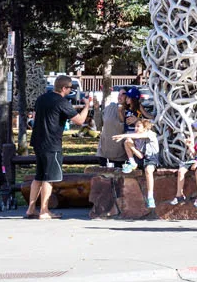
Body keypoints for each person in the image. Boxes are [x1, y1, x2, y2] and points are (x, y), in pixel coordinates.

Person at [26, 75, 93, 220]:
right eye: (70, 88)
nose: (70, 91)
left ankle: (31, 209)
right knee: (48, 178)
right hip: (52, 143)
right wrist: (87, 106)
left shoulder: (42, 98)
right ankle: (44, 211)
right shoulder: (61, 102)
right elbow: (80, 121)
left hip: (38, 141)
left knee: (38, 176)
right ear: (64, 88)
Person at [114, 117, 160, 209]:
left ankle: (150, 197)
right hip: (141, 157)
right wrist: (130, 143)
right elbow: (140, 155)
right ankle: (132, 163)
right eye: (135, 126)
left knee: (148, 171)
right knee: (127, 141)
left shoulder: (151, 134)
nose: (136, 128)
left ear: (145, 128)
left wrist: (123, 136)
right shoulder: (136, 137)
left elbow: (138, 136)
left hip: (151, 159)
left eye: (138, 126)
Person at [97, 90, 128, 168]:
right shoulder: (110, 108)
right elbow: (99, 124)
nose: (119, 96)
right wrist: (96, 109)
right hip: (104, 152)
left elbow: (124, 125)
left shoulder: (131, 112)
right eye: (119, 94)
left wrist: (120, 112)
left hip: (122, 154)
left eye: (123, 94)